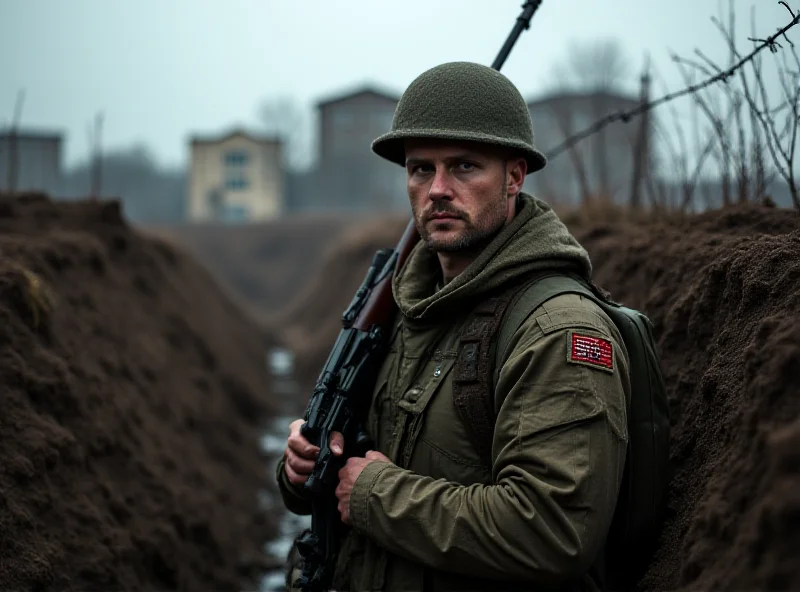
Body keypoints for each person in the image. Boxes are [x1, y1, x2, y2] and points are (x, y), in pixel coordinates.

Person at [276, 61, 631, 592]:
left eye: (464, 167)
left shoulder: (557, 329)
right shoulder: (406, 309)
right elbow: (356, 469)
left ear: (514, 176)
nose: (437, 189)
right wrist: (303, 469)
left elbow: (554, 530)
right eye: (421, 169)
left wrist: (376, 496)